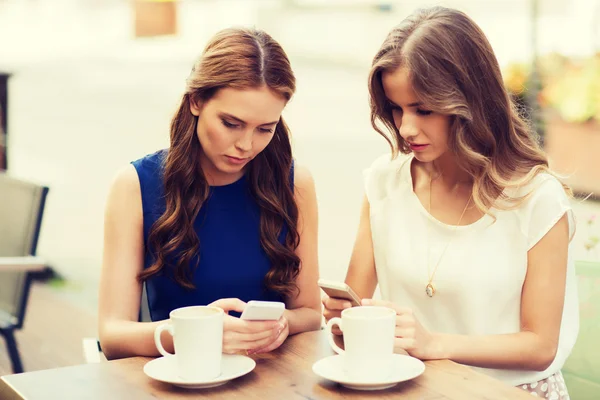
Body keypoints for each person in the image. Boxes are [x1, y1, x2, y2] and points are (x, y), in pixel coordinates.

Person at [323, 7, 577, 399]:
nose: (406, 128)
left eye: (424, 109)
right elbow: (354, 305)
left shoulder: (536, 197)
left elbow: (540, 346)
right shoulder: (384, 182)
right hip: (412, 387)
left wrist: (434, 343)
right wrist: (345, 321)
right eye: (396, 108)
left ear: (471, 101)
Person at [99, 28, 322, 360]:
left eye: (265, 129)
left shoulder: (294, 183)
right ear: (195, 101)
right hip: (180, 379)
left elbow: (309, 312)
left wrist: (279, 325)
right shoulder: (135, 185)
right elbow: (113, 334)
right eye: (231, 123)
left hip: (272, 377)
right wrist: (196, 334)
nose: (247, 145)